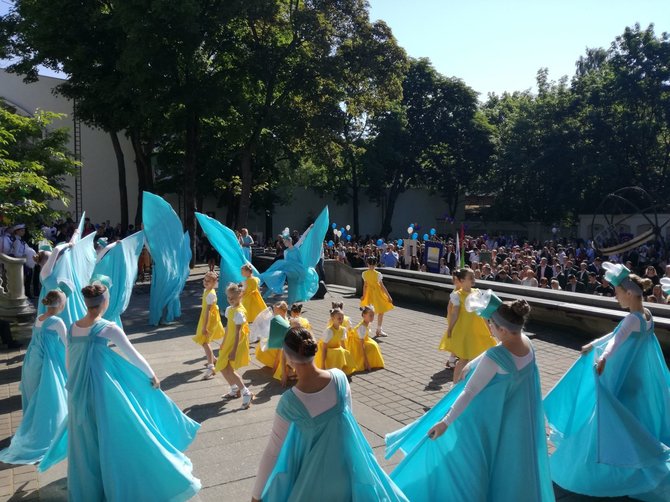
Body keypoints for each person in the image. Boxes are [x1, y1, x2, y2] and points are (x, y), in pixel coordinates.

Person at [38, 282, 201, 501]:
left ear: (86, 304)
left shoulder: (73, 326)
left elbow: (70, 362)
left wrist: (75, 383)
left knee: (87, 441)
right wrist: (152, 375)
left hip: (79, 391)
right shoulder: (108, 327)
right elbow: (133, 355)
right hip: (104, 391)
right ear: (105, 302)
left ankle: (91, 489)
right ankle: (117, 482)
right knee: (116, 435)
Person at [385, 295, 553, 502]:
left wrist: (445, 422)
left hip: (484, 421)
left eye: (491, 324)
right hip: (512, 419)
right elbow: (495, 352)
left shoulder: (496, 357)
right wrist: (472, 362)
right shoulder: (526, 343)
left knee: (465, 462)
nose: (489, 328)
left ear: (501, 329)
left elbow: (470, 392)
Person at [545, 262, 670, 500]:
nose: (615, 297)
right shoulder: (647, 315)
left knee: (609, 420)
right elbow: (617, 334)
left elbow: (617, 339)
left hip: (625, 379)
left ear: (630, 292)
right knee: (630, 422)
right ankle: (632, 460)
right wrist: (593, 345)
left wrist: (602, 357)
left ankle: (608, 466)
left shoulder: (633, 318)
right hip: (638, 379)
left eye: (618, 292)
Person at [251, 327, 408, 502]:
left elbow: (273, 452)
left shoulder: (290, 401)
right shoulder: (339, 379)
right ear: (314, 347)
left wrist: (256, 496)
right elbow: (347, 425)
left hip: (313, 482)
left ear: (287, 357)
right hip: (347, 471)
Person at [0, 289, 68, 464]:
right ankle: (51, 433)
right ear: (60, 304)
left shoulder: (39, 318)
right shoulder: (57, 321)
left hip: (32, 361)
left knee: (37, 399)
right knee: (50, 399)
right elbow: (68, 344)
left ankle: (35, 430)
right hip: (47, 363)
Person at [438, 268, 496, 382]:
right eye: (471, 277)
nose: (474, 279)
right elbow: (454, 313)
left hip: (478, 328)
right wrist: (450, 328)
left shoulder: (477, 292)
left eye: (474, 276)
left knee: (478, 355)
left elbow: (482, 311)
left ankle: (471, 381)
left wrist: (488, 326)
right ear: (462, 280)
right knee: (464, 357)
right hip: (465, 329)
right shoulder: (457, 295)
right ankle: (455, 383)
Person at [215, 283, 253, 408]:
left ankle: (245, 392)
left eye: (233, 298)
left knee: (230, 369)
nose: (230, 300)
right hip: (228, 343)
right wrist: (223, 343)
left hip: (235, 344)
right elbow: (228, 329)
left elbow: (237, 333)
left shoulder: (239, 313)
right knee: (221, 366)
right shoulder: (229, 310)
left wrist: (234, 351)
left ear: (240, 295)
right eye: (228, 298)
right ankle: (234, 388)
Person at [192, 271, 225, 380]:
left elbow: (207, 311)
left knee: (205, 342)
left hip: (208, 319)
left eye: (208, 281)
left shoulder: (210, 294)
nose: (205, 282)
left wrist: (205, 326)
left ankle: (211, 367)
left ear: (214, 282)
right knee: (204, 341)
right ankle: (214, 359)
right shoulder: (207, 290)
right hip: (206, 318)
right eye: (205, 280)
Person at [360, 256, 394, 338]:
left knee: (369, 311)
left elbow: (365, 286)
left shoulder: (364, 274)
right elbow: (382, 286)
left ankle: (366, 328)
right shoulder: (378, 274)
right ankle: (379, 329)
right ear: (375, 264)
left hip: (369, 294)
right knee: (380, 311)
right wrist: (388, 296)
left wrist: (364, 296)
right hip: (377, 294)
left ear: (367, 264)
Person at [316, 307, 353, 374]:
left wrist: (346, 354)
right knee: (339, 352)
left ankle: (341, 368)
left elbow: (342, 344)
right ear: (333, 319)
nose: (341, 320)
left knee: (343, 351)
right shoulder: (329, 331)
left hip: (334, 348)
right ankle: (330, 368)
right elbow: (324, 348)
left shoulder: (343, 329)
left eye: (342, 318)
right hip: (326, 349)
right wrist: (322, 364)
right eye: (339, 318)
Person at [347, 306, 385, 372]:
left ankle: (372, 362)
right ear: (364, 315)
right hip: (356, 343)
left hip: (363, 339)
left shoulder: (366, 322)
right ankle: (367, 363)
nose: (372, 317)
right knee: (372, 347)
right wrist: (366, 362)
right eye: (370, 315)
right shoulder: (362, 327)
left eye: (373, 315)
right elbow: (362, 346)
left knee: (374, 345)